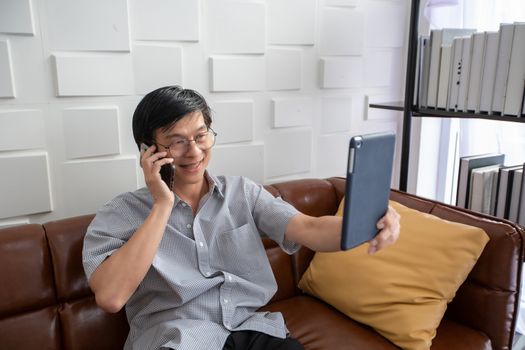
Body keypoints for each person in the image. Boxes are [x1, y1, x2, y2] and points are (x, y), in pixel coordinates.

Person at [82, 85, 400, 350]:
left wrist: (368, 219)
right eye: (177, 141)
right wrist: (162, 205)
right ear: (149, 151)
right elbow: (111, 297)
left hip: (251, 331)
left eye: (201, 135)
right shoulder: (120, 213)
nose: (193, 152)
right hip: (177, 339)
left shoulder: (242, 193)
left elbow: (309, 227)